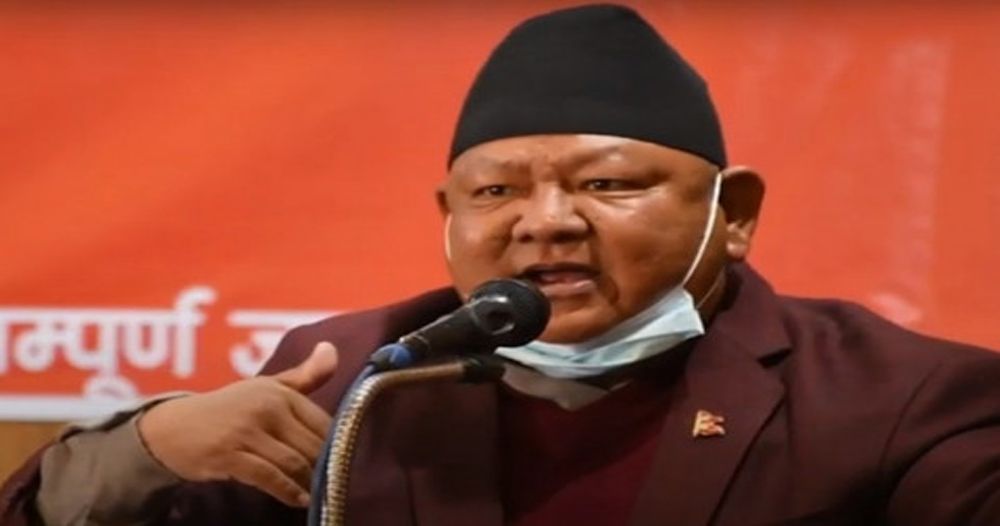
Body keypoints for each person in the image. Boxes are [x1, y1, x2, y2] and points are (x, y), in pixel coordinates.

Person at [4, 4, 1000, 525]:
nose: (545, 223)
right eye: (494, 193)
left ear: (731, 215)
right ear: (448, 217)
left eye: (606, 184)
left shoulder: (897, 401)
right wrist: (150, 450)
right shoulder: (356, 377)